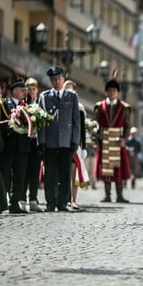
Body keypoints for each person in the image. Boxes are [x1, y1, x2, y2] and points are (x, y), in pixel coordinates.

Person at [38, 66, 81, 212]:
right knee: (50, 174)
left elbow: (76, 121)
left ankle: (63, 203)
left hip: (66, 142)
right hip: (50, 143)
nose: (56, 81)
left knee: (64, 174)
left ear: (63, 79)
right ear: (50, 81)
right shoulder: (44, 97)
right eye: (53, 79)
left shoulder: (72, 96)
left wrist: (75, 140)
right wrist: (41, 141)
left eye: (59, 78)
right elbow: (41, 122)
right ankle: (50, 202)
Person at [0, 79, 31, 214]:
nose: (24, 93)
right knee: (4, 176)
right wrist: (8, 126)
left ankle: (14, 203)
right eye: (22, 90)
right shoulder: (2, 104)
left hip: (22, 147)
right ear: (14, 91)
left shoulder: (27, 106)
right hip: (7, 147)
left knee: (19, 177)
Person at [94, 80, 131, 203]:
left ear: (118, 92)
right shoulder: (100, 106)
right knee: (106, 169)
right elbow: (97, 125)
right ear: (106, 92)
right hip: (104, 140)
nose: (112, 93)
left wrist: (124, 139)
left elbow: (127, 125)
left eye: (114, 91)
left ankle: (120, 195)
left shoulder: (124, 107)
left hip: (117, 140)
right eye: (109, 90)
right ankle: (107, 195)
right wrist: (97, 139)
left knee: (118, 169)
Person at [64, 80, 88, 210]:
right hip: (62, 144)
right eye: (66, 89)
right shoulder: (60, 104)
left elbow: (82, 129)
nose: (69, 91)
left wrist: (83, 146)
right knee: (64, 173)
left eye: (71, 89)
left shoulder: (79, 108)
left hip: (74, 145)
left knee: (73, 173)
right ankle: (65, 199)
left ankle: (73, 199)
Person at [23, 78, 44, 212]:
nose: (31, 92)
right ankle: (22, 199)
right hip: (25, 143)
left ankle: (33, 199)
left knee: (35, 172)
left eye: (33, 89)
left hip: (37, 143)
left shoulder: (41, 104)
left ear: (37, 90)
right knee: (23, 172)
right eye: (28, 89)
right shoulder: (22, 105)